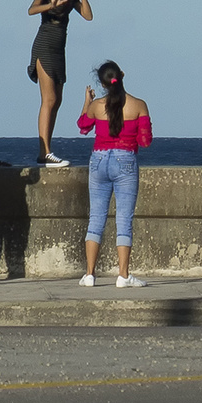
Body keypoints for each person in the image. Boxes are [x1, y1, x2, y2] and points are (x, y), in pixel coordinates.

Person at [76, 61, 153, 288]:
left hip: (99, 160)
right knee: (124, 220)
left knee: (96, 219)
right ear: (122, 75)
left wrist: (87, 101)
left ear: (102, 83)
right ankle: (123, 275)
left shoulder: (97, 106)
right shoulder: (139, 105)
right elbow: (145, 141)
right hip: (125, 160)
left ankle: (89, 274)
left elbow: (83, 126)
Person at [27, 0, 92, 167]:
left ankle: (46, 151)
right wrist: (50, 4)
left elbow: (88, 15)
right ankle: (44, 152)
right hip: (45, 43)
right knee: (50, 99)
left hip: (59, 48)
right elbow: (32, 9)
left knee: (58, 100)